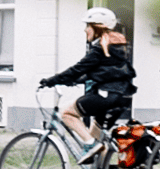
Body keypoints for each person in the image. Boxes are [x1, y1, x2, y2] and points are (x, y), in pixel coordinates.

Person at [39, 8, 134, 160]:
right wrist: (76, 80)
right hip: (123, 97)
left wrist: (51, 80)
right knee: (96, 139)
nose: (85, 30)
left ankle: (91, 145)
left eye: (88, 26)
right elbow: (106, 72)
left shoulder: (99, 48)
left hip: (106, 95)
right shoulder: (117, 46)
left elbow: (78, 69)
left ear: (98, 27)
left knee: (66, 113)